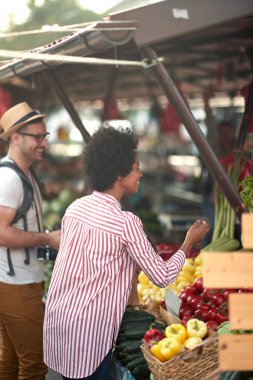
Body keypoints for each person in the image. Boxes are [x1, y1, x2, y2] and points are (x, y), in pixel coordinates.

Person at [43, 126, 209, 380]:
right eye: (136, 167)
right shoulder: (125, 223)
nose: (141, 173)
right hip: (89, 333)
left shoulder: (75, 209)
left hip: (59, 323)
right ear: (120, 174)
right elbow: (162, 276)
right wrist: (188, 242)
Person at [0, 102, 61, 380]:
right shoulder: (8, 178)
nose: (43, 143)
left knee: (11, 361)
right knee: (34, 364)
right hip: (16, 285)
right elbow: (1, 232)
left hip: (20, 281)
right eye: (37, 137)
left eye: (44, 136)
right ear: (15, 137)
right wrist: (47, 238)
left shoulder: (23, 173)